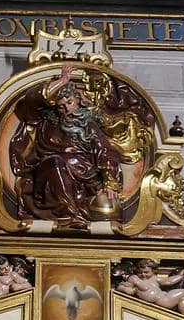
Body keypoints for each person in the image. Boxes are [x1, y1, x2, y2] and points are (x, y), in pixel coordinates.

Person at [10, 68, 123, 222]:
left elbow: (105, 151)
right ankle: (69, 214)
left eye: (69, 102)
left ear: (77, 99)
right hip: (51, 176)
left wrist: (110, 181)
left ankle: (74, 213)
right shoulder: (47, 122)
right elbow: (30, 99)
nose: (68, 109)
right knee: (55, 163)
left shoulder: (88, 125)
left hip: (85, 180)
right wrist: (61, 82)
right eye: (61, 107)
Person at [114, 259, 184, 320]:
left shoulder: (155, 278)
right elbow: (121, 286)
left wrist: (180, 276)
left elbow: (168, 281)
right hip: (160, 301)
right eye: (141, 272)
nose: (143, 274)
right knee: (183, 293)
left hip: (164, 298)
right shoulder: (135, 278)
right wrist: (128, 290)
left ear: (153, 271)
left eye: (146, 272)